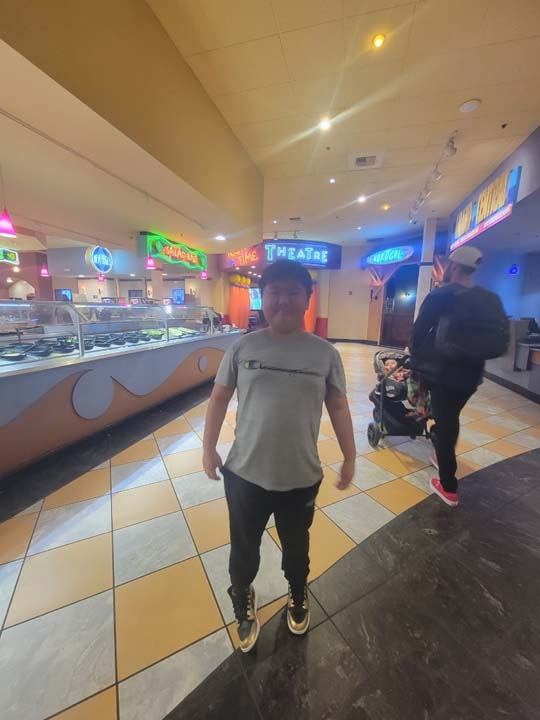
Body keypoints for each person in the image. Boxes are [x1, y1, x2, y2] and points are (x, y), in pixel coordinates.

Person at [203, 259, 356, 653]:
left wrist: (350, 456)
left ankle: (297, 591)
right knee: (244, 548)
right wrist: (208, 448)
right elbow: (218, 398)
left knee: (296, 548)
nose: (283, 301)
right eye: (274, 292)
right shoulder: (242, 347)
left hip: (300, 475)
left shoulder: (324, 353)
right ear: (262, 297)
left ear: (307, 299)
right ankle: (242, 594)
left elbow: (339, 405)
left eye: (292, 293)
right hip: (245, 474)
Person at [410, 245, 487, 507]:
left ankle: (448, 486)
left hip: (444, 373)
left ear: (452, 266)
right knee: (449, 417)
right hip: (472, 377)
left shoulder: (441, 296)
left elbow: (419, 332)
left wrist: (416, 357)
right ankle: (440, 453)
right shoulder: (483, 298)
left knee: (446, 422)